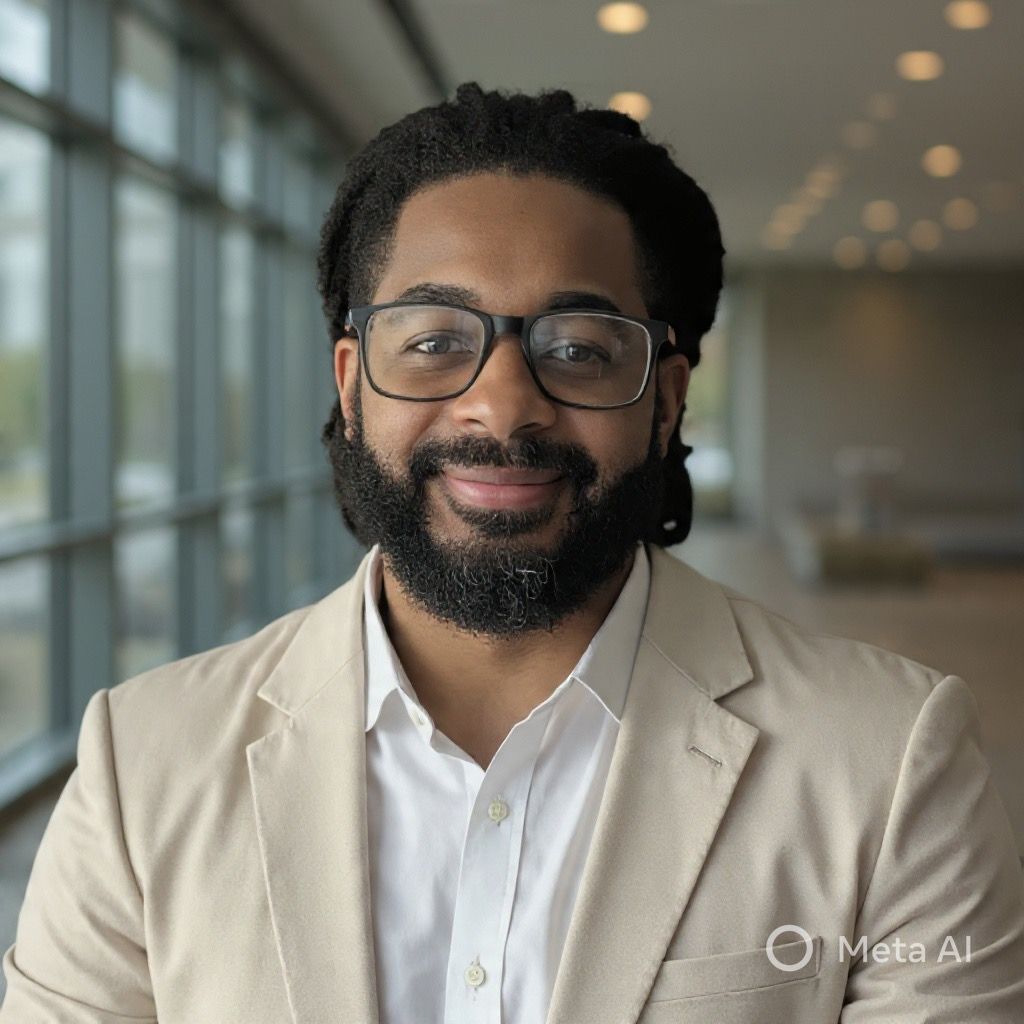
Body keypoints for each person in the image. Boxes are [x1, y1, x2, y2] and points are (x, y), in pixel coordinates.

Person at [2, 81, 1022, 1024]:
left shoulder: (886, 762)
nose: (502, 404)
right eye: (435, 338)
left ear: (663, 399)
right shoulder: (145, 762)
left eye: (577, 347)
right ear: (352, 384)